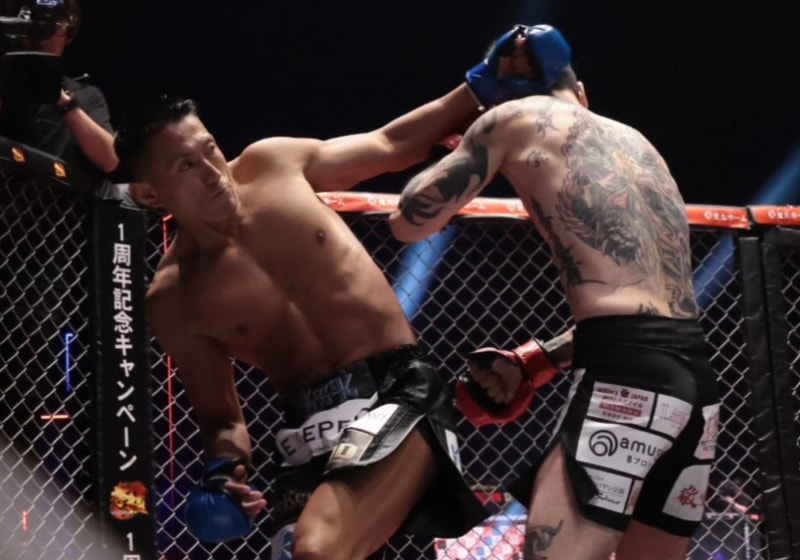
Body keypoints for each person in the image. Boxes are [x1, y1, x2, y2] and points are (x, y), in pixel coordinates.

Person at [112, 27, 549, 559]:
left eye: (209, 150)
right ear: (150, 193)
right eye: (185, 166)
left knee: (316, 548)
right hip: (308, 436)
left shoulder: (272, 163)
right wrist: (224, 473)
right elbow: (222, 419)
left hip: (399, 393)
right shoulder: (174, 298)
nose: (212, 173)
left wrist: (483, 84)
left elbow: (390, 144)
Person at [389, 24, 721, 560]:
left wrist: (465, 128)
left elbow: (410, 221)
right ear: (579, 90)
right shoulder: (640, 145)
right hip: (695, 382)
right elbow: (649, 314)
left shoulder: (511, 119)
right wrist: (538, 360)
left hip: (623, 377)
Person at [0, 0, 118, 194]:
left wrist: (65, 104)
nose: (40, 36)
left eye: (51, 27)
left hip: (53, 202)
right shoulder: (5, 81)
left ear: (68, 34)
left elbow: (110, 161)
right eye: (33, 25)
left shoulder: (86, 95)